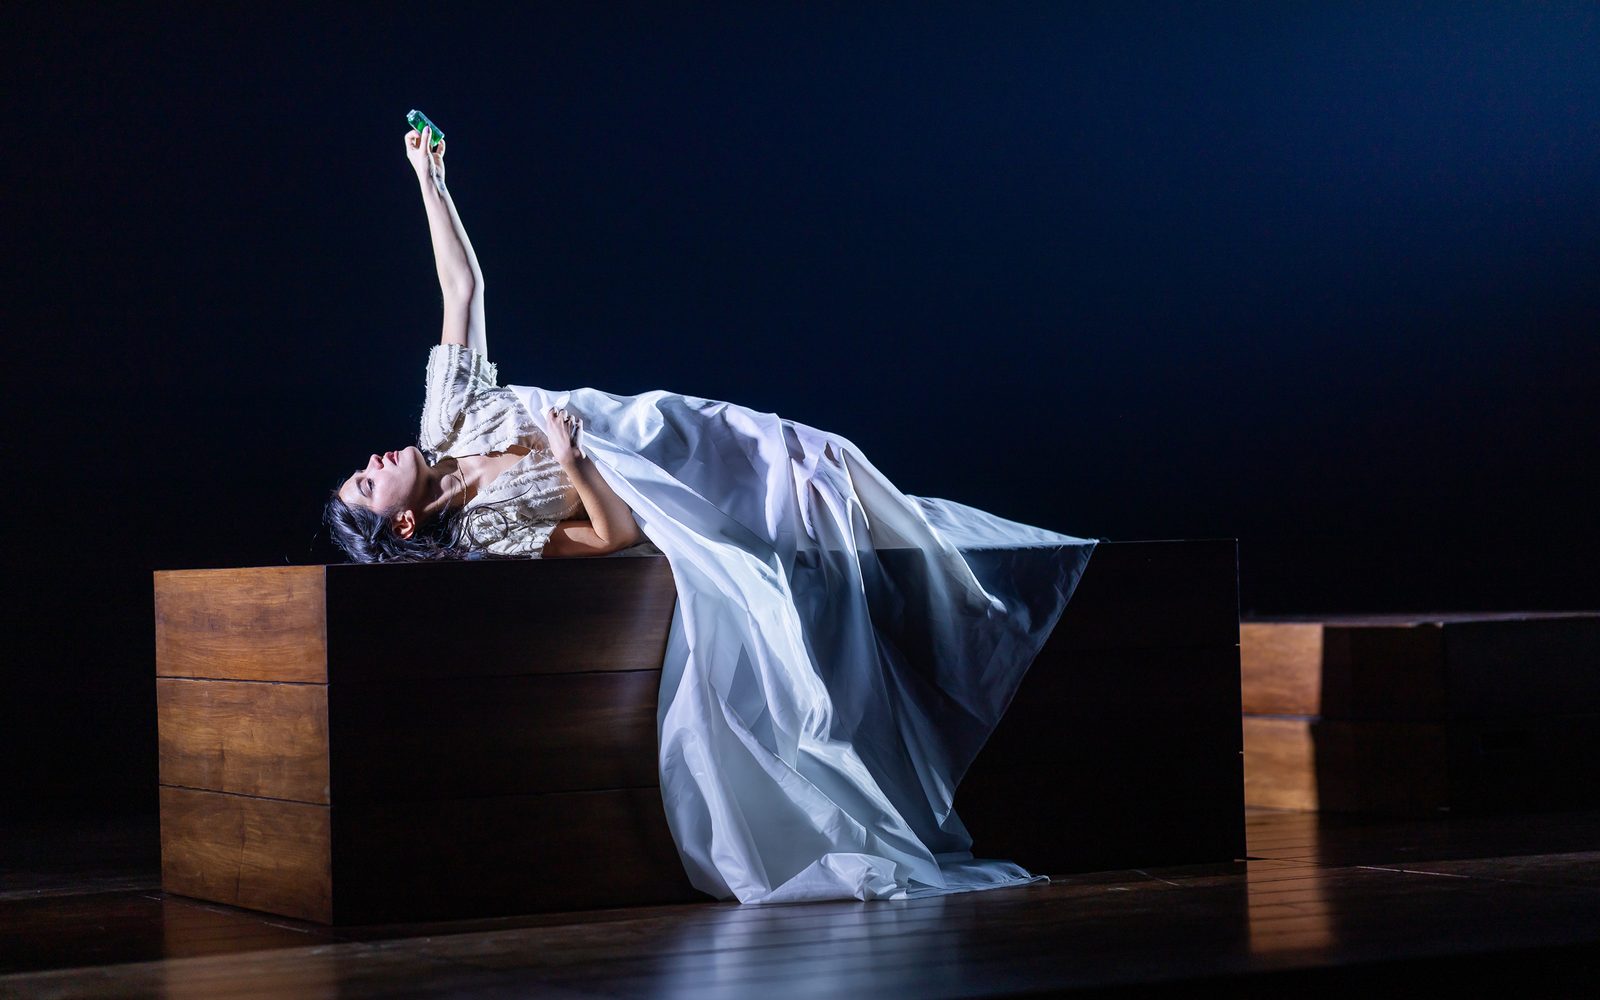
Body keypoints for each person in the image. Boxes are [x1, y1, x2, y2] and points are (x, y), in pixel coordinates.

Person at [327, 122, 1101, 904]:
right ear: (400, 526)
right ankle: (958, 610)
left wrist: (430, 180)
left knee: (817, 455)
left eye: (360, 470)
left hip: (667, 430)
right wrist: (571, 464)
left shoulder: (447, 420)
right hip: (656, 485)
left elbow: (463, 290)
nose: (373, 463)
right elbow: (610, 535)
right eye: (366, 484)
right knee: (809, 513)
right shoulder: (487, 532)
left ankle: (950, 583)